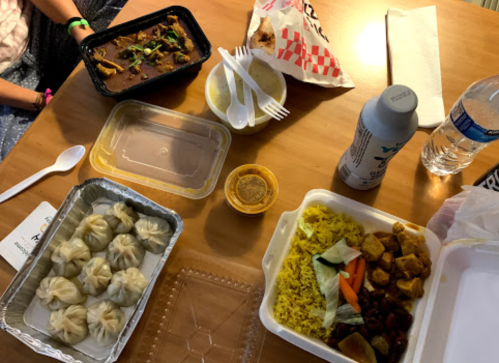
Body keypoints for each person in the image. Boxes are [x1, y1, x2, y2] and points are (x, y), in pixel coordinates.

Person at [0, 0, 127, 163]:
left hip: (36, 26)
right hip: (9, 81)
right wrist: (41, 101)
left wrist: (79, 28)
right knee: (14, 158)